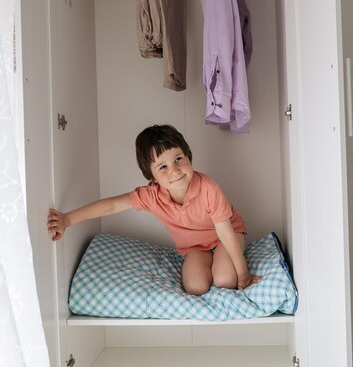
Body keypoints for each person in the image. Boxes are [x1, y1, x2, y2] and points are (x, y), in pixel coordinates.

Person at [47, 124, 259, 295]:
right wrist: (67, 219)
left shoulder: (208, 188)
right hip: (196, 247)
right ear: (152, 177)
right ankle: (212, 262)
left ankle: (223, 263)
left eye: (178, 159)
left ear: (188, 156)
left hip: (227, 235)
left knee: (225, 280)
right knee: (195, 287)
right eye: (163, 167)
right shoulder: (152, 195)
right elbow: (112, 205)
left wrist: (244, 275)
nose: (175, 170)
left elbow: (224, 231)